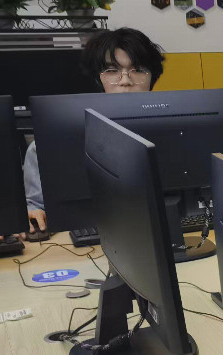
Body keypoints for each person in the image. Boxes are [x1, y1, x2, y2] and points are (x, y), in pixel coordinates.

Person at [21, 27, 165, 238]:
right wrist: (33, 213)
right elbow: (35, 206)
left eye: (138, 69)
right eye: (112, 70)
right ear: (98, 79)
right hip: (85, 244)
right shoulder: (45, 148)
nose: (126, 80)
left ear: (152, 77)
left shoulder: (180, 135)